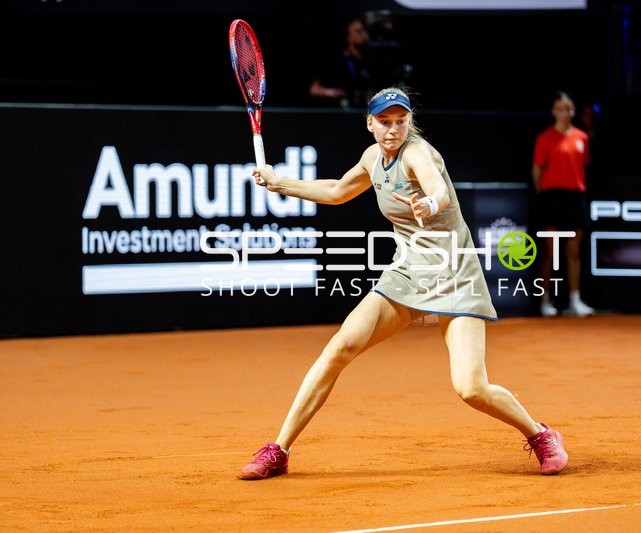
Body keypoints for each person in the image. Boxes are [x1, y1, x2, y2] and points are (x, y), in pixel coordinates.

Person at [240, 87, 568, 479]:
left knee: (470, 388)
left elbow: (438, 189)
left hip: (455, 273)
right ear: (370, 123)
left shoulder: (417, 152)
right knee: (340, 346)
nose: (394, 129)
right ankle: (279, 449)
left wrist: (430, 203)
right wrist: (280, 183)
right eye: (385, 121)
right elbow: (336, 190)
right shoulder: (372, 158)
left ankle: (540, 433)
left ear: (410, 121)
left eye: (401, 120)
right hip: (408, 271)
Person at [532, 91, 595, 318]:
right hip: (551, 197)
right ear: (553, 112)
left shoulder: (582, 138)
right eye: (560, 109)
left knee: (574, 250)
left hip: (575, 197)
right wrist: (543, 197)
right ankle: (545, 300)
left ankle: (576, 301)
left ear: (573, 111)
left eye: (568, 109)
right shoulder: (545, 138)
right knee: (550, 252)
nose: (565, 113)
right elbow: (537, 171)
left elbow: (583, 167)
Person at [308, 16, 372, 109]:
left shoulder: (367, 61)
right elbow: (314, 89)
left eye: (364, 31)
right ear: (349, 36)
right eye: (359, 31)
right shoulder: (336, 61)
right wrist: (332, 92)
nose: (364, 35)